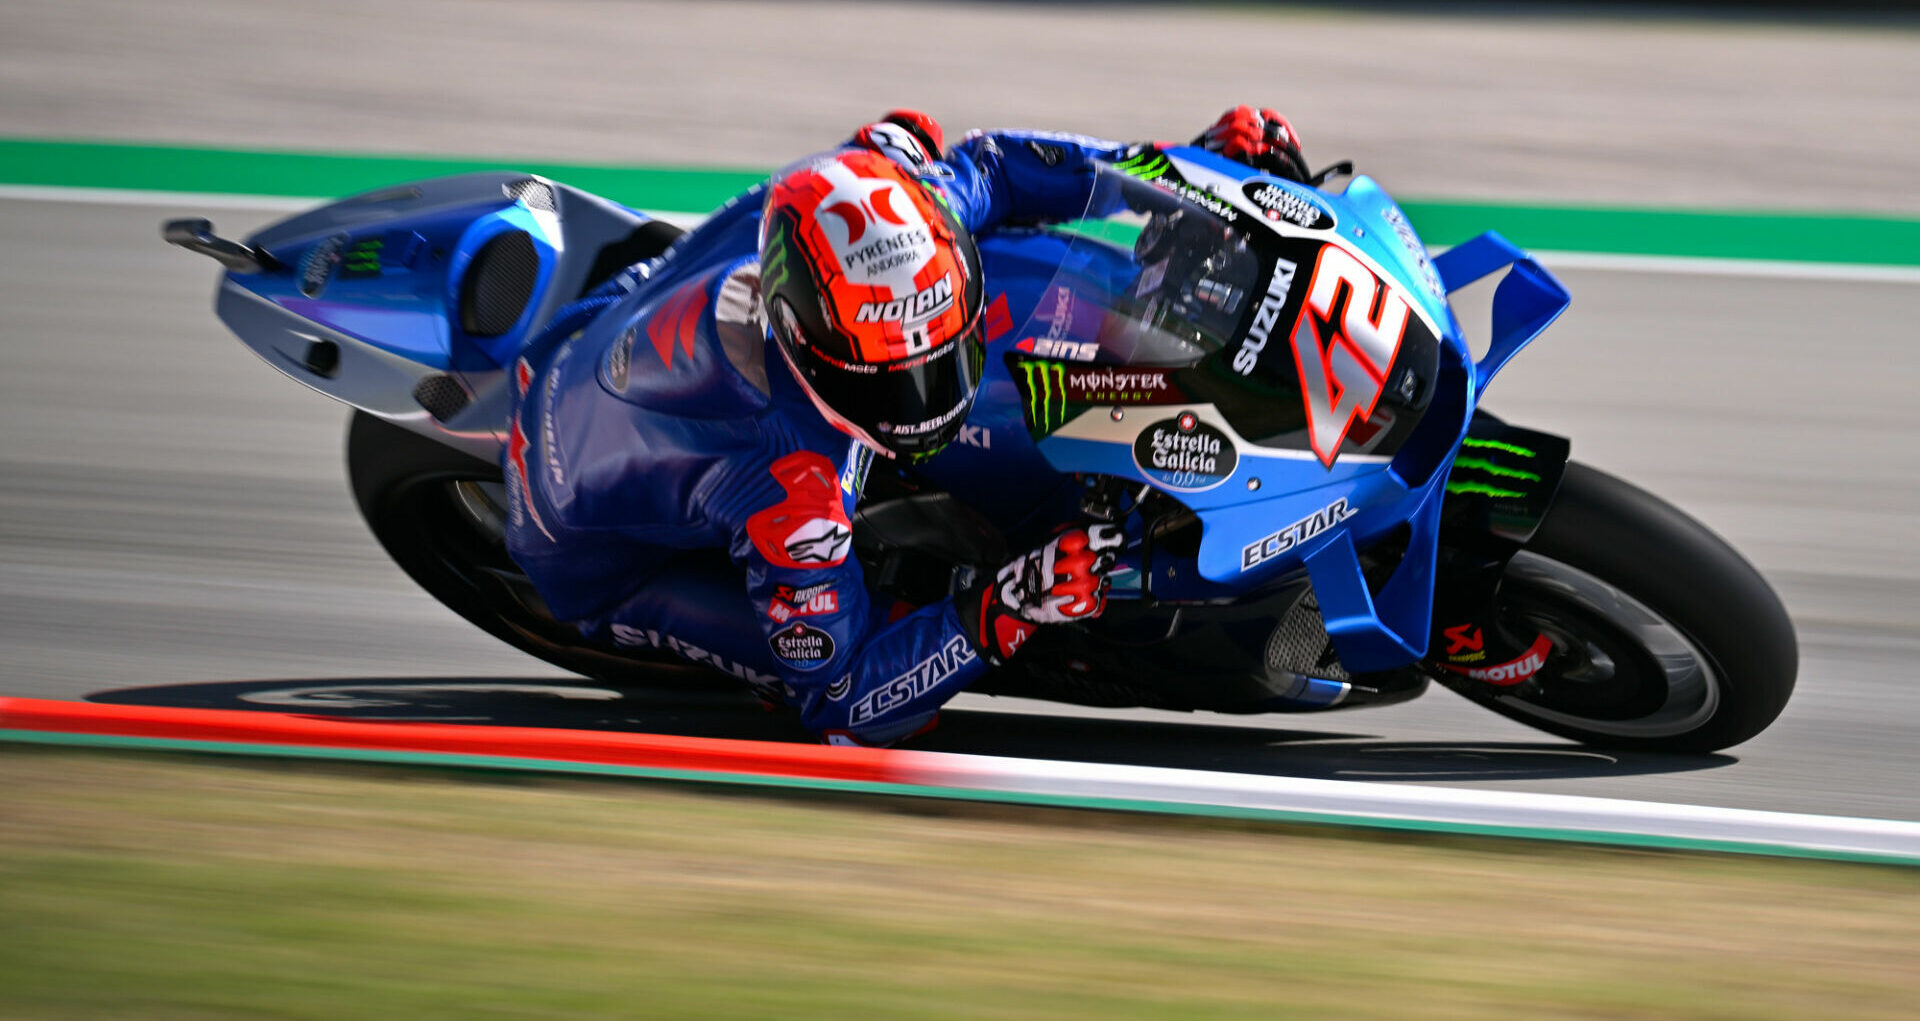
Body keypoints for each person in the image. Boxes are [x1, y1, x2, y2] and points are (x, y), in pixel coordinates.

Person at [503, 107, 1309, 745]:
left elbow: (992, 163)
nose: (929, 399)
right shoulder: (798, 494)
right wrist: (1006, 608)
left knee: (901, 147)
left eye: (937, 359)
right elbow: (843, 696)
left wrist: (1182, 172)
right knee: (846, 685)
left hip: (600, 325)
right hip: (584, 545)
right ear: (814, 355)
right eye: (895, 383)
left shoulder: (888, 204)